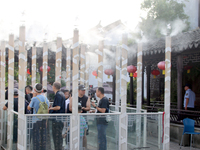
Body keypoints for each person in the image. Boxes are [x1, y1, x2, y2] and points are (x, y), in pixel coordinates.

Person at [27, 83, 49, 150]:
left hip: (36, 120)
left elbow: (29, 108)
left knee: (36, 136)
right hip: (44, 119)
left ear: (34, 90)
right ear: (42, 90)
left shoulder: (34, 99)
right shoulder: (46, 99)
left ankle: (36, 148)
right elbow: (47, 110)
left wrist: (33, 97)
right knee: (43, 136)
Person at [49, 82, 65, 150]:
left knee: (56, 136)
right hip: (60, 119)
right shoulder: (62, 94)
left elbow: (58, 107)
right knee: (59, 136)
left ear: (54, 87)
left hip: (57, 119)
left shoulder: (58, 95)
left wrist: (50, 108)